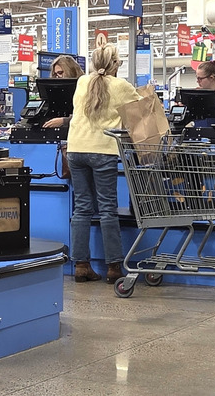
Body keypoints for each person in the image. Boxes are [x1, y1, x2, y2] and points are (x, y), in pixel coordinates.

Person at [66, 44, 141, 283]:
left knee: (81, 208)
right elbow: (144, 109)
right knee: (108, 208)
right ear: (116, 64)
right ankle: (114, 267)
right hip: (103, 150)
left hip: (75, 149)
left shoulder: (81, 82)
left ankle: (80, 265)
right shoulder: (122, 86)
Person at [43, 55, 84, 129]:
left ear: (71, 71)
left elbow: (86, 116)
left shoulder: (85, 87)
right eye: (55, 74)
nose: (58, 77)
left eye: (60, 73)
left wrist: (64, 121)